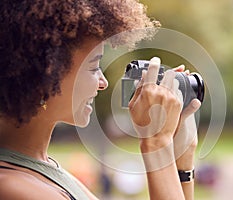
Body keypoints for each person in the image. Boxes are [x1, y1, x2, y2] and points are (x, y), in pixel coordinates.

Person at [0, 0, 201, 199]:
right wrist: (157, 144)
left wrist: (181, 165)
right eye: (94, 66)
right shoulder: (11, 186)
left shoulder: (41, 169)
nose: (103, 83)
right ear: (44, 75)